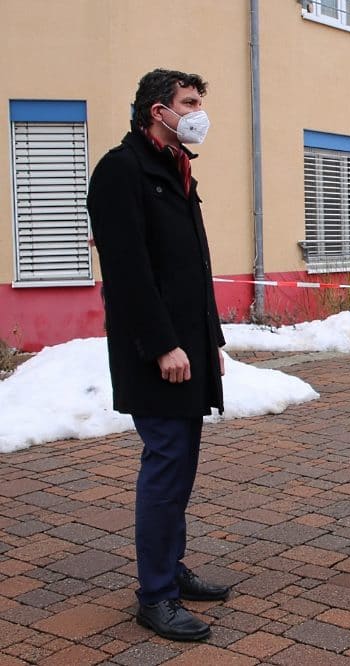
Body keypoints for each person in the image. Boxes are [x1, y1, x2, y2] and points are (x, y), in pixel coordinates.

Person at [87, 69, 230, 641]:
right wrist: (164, 345)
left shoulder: (175, 168)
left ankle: (170, 567)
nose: (198, 112)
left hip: (188, 345)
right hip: (155, 349)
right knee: (166, 465)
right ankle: (156, 595)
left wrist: (211, 342)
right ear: (157, 110)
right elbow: (127, 272)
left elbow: (193, 264)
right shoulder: (121, 171)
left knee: (181, 465)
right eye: (188, 102)